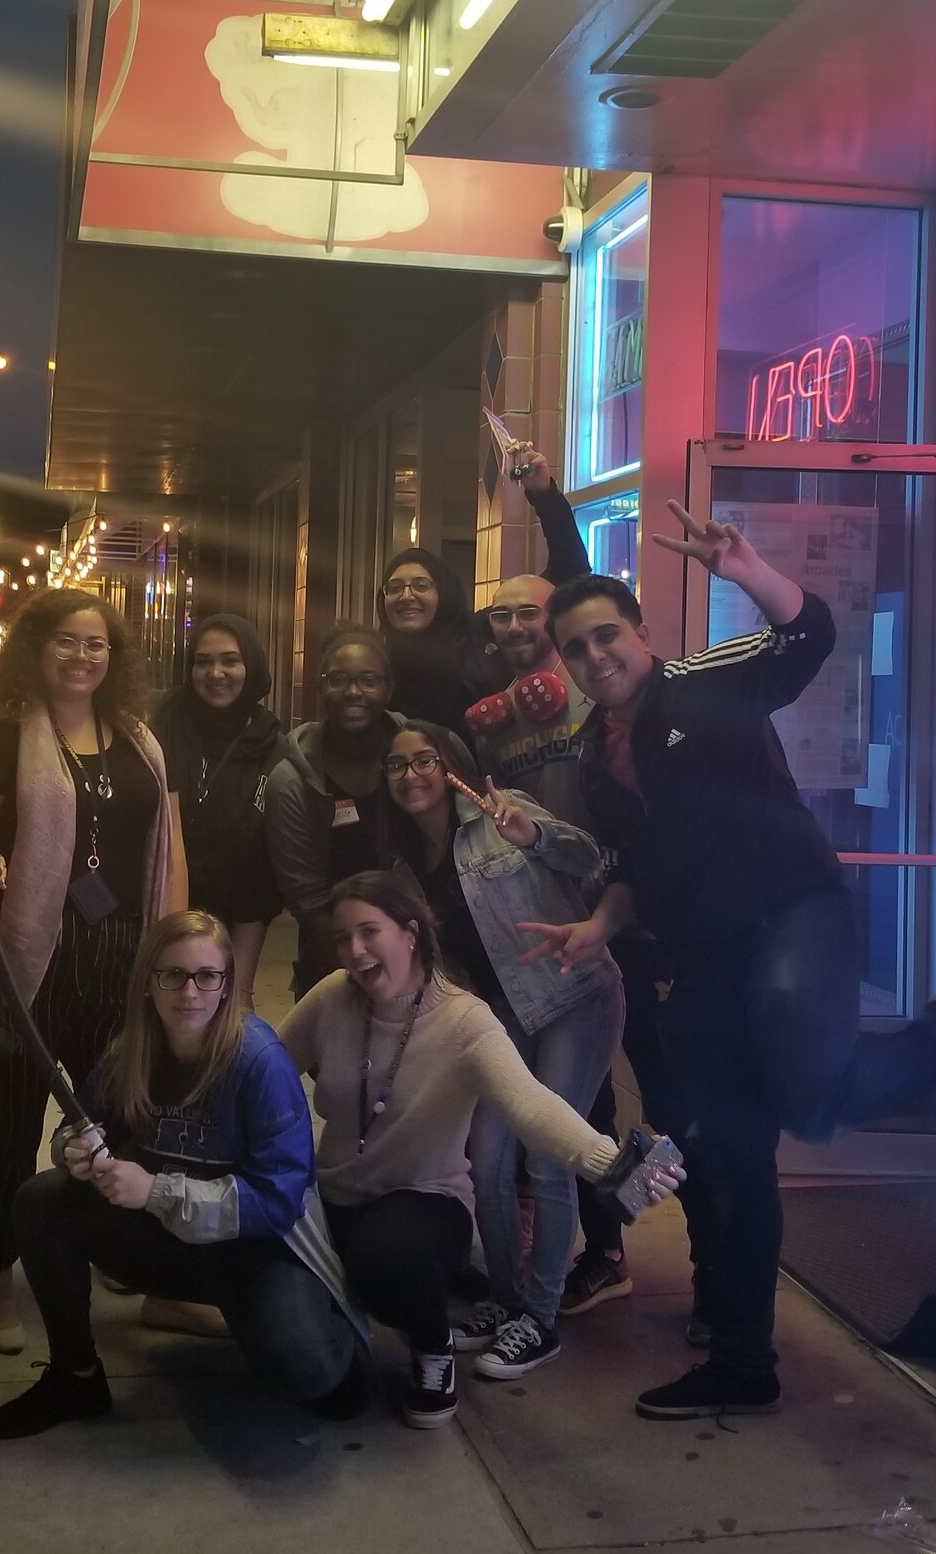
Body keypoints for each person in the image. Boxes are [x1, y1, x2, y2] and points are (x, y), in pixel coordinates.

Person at [525, 504, 936, 1420]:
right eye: (575, 649)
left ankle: (932, 1046)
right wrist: (596, 928)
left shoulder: (705, 681)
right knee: (730, 1156)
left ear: (642, 633)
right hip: (700, 958)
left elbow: (808, 634)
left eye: (606, 636)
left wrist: (750, 571)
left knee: (809, 1104)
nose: (594, 659)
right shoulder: (591, 759)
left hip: (792, 919)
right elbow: (632, 866)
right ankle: (744, 1360)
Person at [278, 872, 681, 1429]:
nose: (354, 950)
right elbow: (267, 1067)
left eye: (369, 932)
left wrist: (609, 1161)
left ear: (410, 934)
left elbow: (531, 1106)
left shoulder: (464, 1020)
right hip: (334, 1198)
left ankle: (432, 1350)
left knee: (386, 1262)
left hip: (423, 1200)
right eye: (343, 937)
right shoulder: (332, 997)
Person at [0, 909, 374, 1439]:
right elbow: (88, 1124)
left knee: (316, 1381)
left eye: (207, 976)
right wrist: (72, 1150)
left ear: (227, 984)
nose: (189, 992)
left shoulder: (260, 1061)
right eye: (173, 974)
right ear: (148, 981)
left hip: (254, 1250)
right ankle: (76, 1376)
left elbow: (278, 1201)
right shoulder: (132, 1050)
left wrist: (157, 1191)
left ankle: (320, 1338)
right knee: (42, 1200)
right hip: (168, 1238)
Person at [0, 589, 185, 1358]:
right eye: (66, 641)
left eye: (97, 644)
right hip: (29, 958)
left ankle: (124, 1262)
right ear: (35, 648)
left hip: (121, 955)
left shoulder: (140, 739)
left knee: (119, 1122)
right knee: (0, 1125)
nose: (82, 656)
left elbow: (167, 853)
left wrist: (173, 963)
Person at [469, 546, 691, 1324]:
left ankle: (706, 1269)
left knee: (670, 1096)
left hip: (631, 918)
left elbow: (582, 576)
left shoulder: (599, 699)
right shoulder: (497, 717)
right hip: (558, 928)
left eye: (532, 610)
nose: (518, 624)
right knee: (583, 1105)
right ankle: (608, 1250)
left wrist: (546, 494)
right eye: (503, 613)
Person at [379, 729, 622, 1380]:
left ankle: (540, 1319)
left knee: (547, 1157)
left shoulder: (499, 810)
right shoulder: (403, 862)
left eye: (424, 759)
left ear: (450, 765)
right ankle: (506, 1299)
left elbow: (593, 857)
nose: (411, 773)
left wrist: (535, 836)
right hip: (506, 1012)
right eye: (397, 764)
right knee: (486, 1156)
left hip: (576, 993)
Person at [263, 627, 473, 993]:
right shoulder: (291, 781)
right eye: (339, 680)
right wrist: (373, 981)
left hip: (448, 963)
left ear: (389, 689)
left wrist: (430, 982)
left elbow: (473, 839)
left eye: (369, 680)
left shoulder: (431, 753)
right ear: (321, 688)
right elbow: (310, 904)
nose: (353, 692)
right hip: (337, 962)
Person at [377, 443, 589, 737]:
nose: (407, 596)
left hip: (497, 775)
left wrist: (543, 495)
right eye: (395, 588)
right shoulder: (376, 658)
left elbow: (570, 572)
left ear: (444, 592)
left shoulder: (484, 631)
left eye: (421, 585)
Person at [150, 614, 287, 987]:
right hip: (145, 918)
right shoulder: (157, 726)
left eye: (230, 660)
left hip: (226, 930)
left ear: (252, 666)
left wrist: (240, 989)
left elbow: (259, 877)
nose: (215, 673)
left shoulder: (271, 747)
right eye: (203, 661)